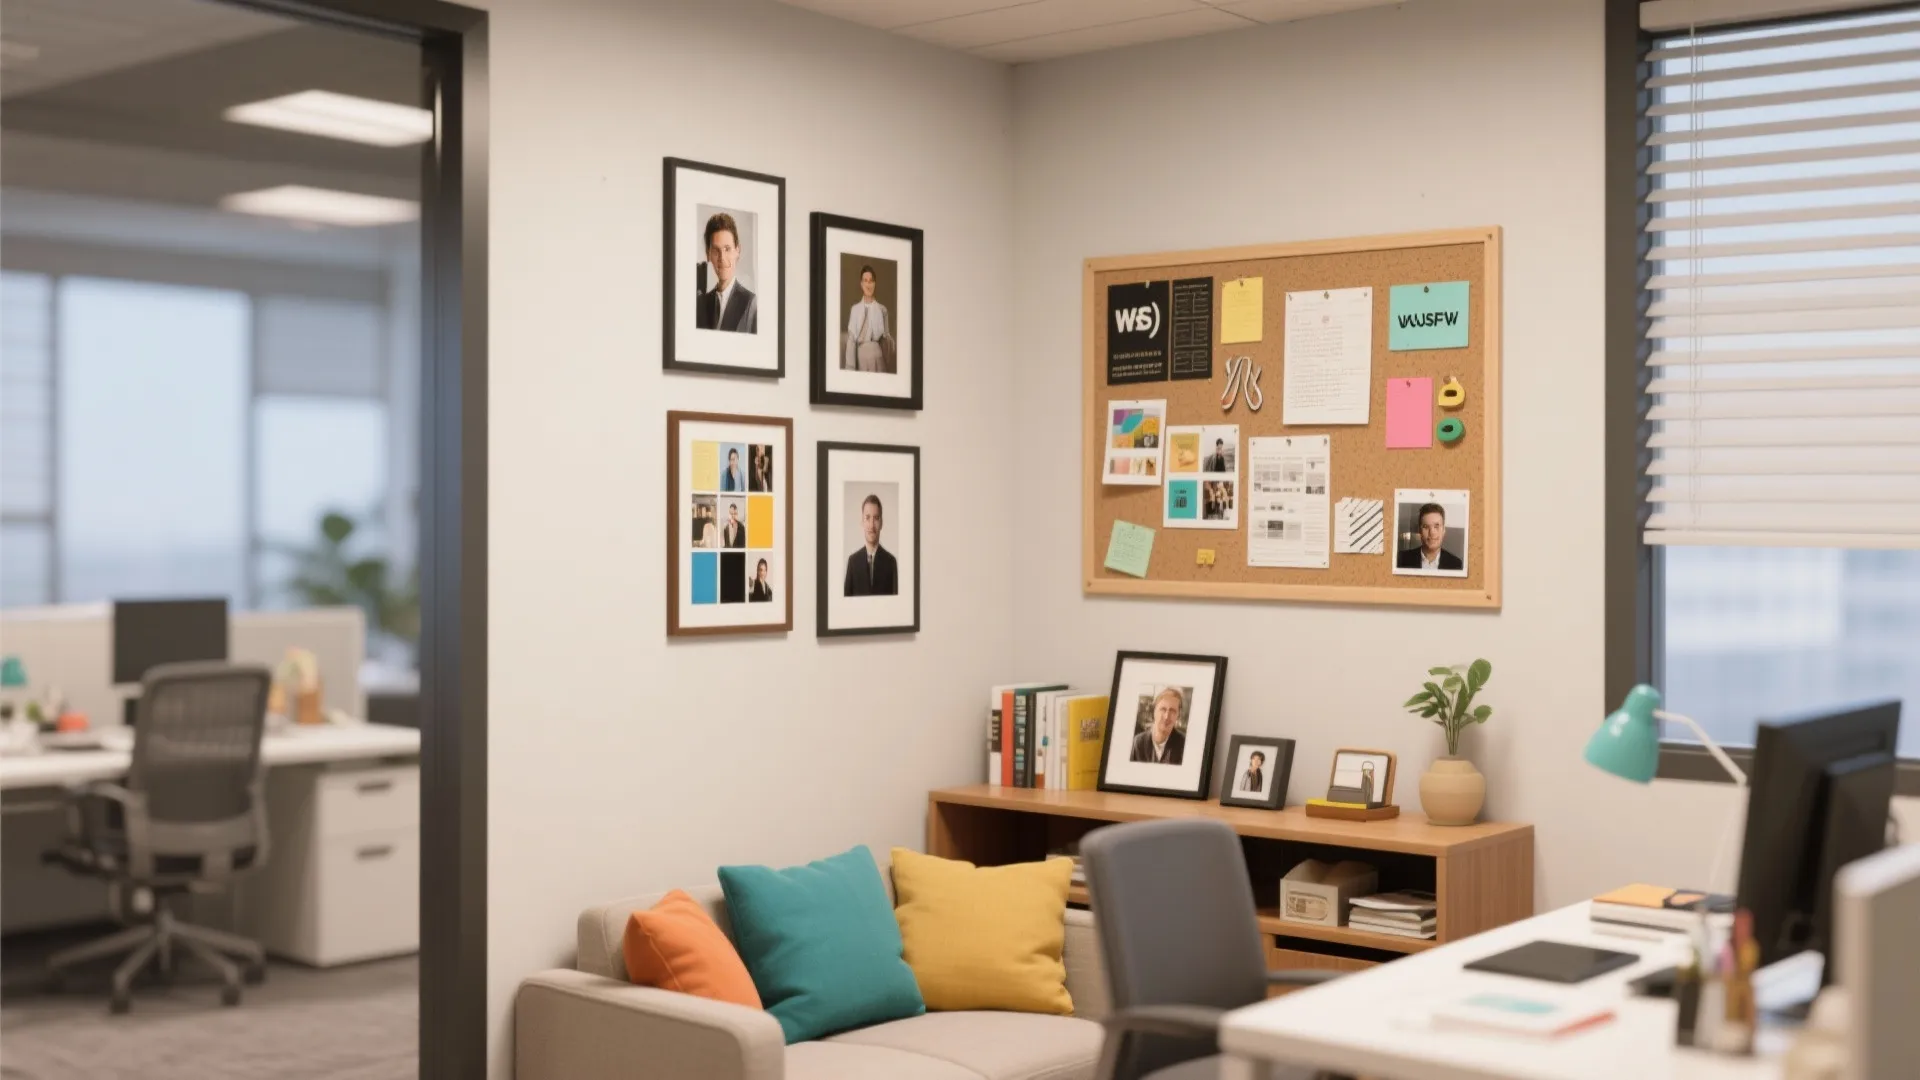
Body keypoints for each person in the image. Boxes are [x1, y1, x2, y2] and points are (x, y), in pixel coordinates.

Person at [696, 212, 757, 333]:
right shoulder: (701, 303)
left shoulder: (750, 304)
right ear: (708, 254)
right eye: (716, 250)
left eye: (727, 249)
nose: (722, 258)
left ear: (737, 251)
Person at [844, 493, 899, 596]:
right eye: (868, 518)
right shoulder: (853, 562)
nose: (871, 525)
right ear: (862, 522)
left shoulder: (891, 563)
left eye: (876, 518)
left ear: (881, 523)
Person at [842, 264, 892, 372]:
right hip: (861, 358)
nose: (868, 284)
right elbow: (851, 341)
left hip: (878, 359)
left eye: (871, 281)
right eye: (865, 280)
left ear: (875, 283)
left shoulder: (882, 309)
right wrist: (850, 368)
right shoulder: (855, 309)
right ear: (861, 284)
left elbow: (886, 340)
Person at [1396, 502, 1463, 571]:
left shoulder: (1456, 564)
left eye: (1436, 526)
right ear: (1420, 531)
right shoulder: (1401, 559)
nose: (1432, 532)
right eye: (1426, 527)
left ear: (1443, 530)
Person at [1128, 688, 1186, 765]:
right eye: (1163, 709)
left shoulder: (1184, 745)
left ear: (1178, 715)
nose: (1166, 716)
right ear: (1154, 711)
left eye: (1172, 711)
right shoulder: (1138, 743)